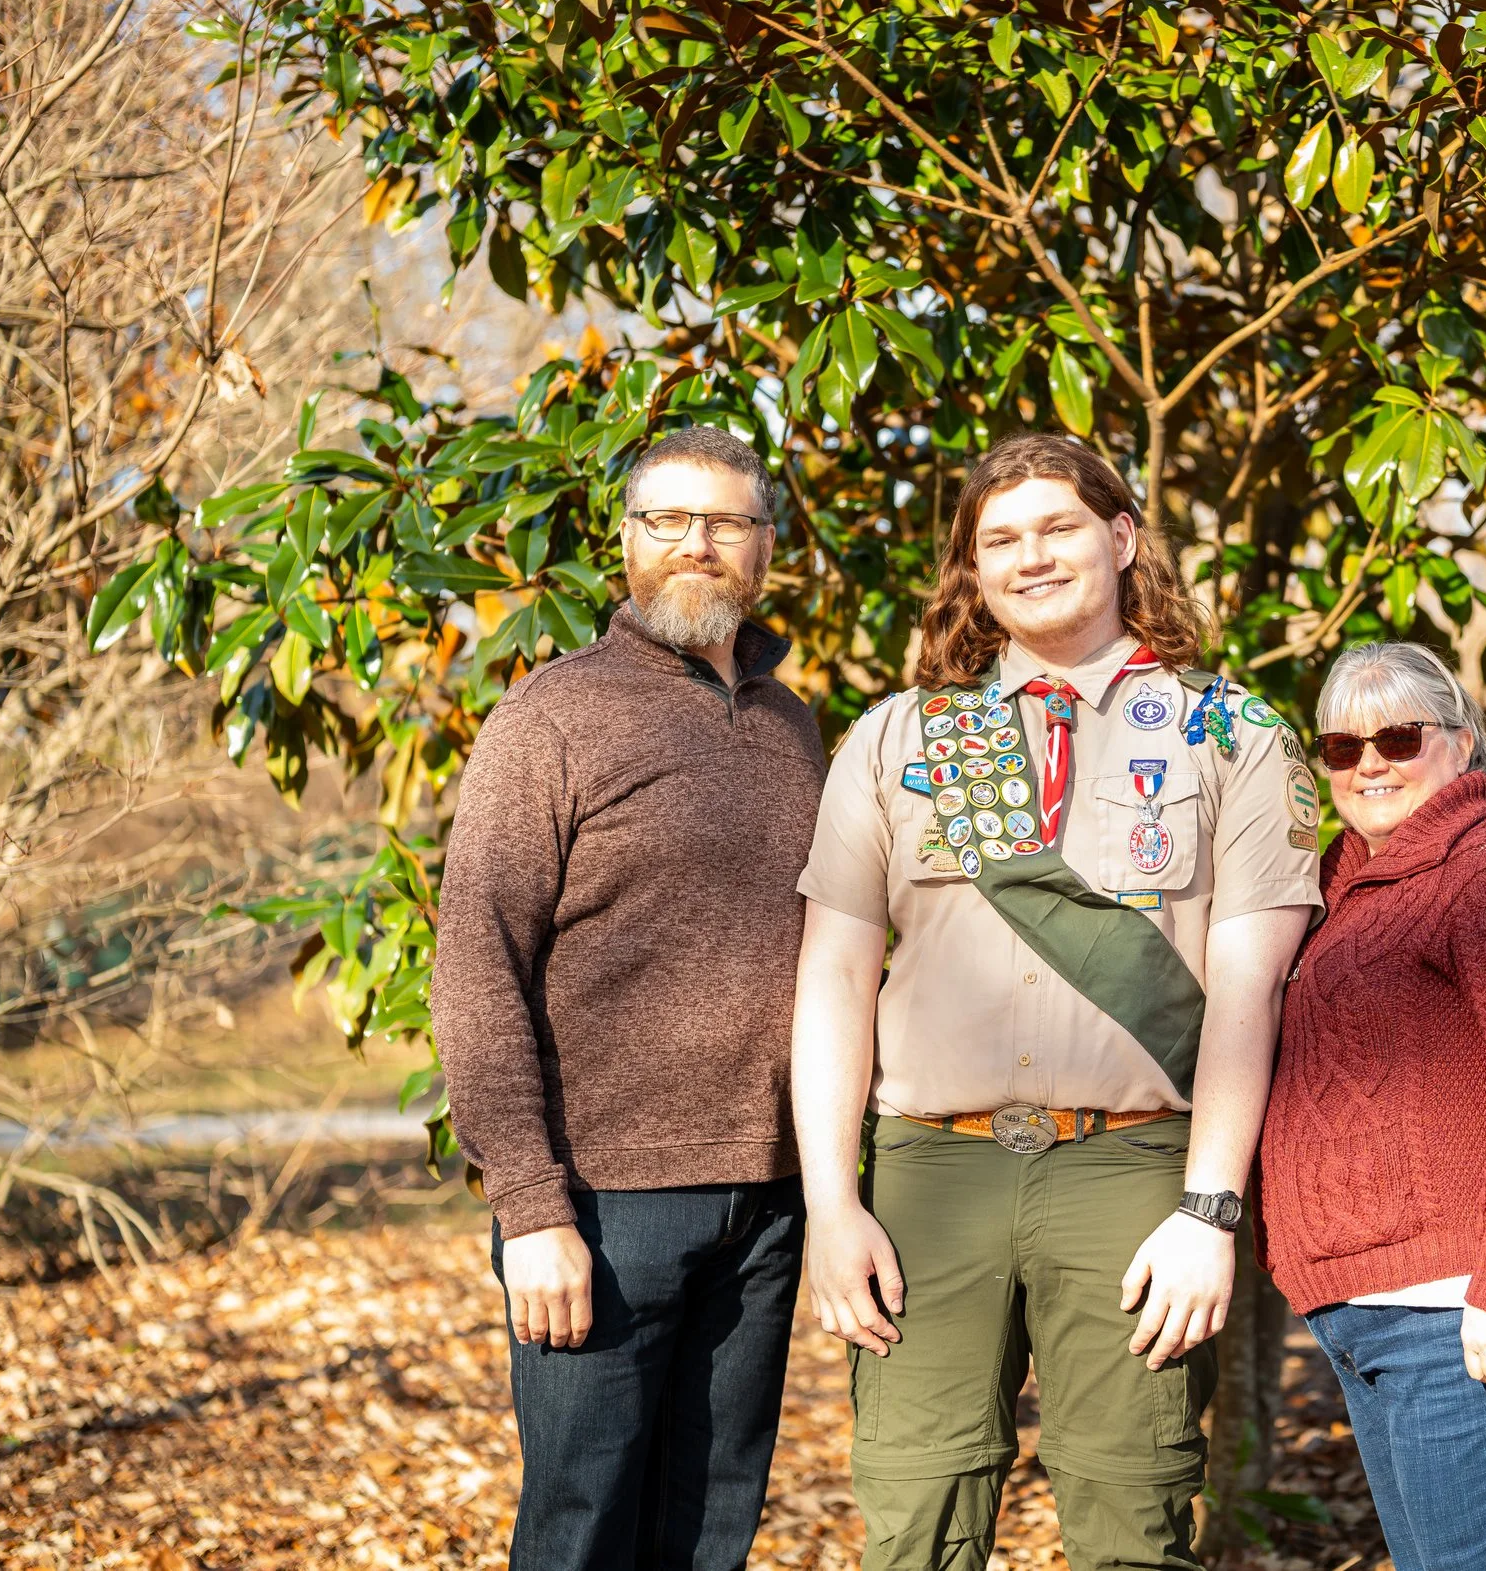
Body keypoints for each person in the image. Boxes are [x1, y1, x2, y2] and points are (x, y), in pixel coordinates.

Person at [791, 431, 1322, 1571]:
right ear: (973, 570)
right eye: (1000, 538)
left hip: (1133, 1174)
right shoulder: (902, 738)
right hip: (929, 1172)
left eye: (1057, 526)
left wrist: (1211, 1210)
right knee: (914, 1516)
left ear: (1121, 537)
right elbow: (832, 977)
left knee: (1133, 1519)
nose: (1030, 556)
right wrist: (832, 1203)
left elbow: (1248, 992)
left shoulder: (1233, 734)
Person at [430, 425, 824, 1569]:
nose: (695, 544)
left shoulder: (791, 724)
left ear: (763, 548)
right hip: (603, 1208)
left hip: (768, 1195)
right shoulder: (551, 718)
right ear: (627, 541)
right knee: (580, 1530)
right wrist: (532, 1205)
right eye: (667, 519)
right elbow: (477, 964)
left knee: (709, 1526)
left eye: (726, 523)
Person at [1257, 640, 1486, 1571]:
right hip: (1371, 1311)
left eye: (1399, 736)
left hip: (1469, 1308)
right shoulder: (1343, 890)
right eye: (1342, 746)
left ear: (1461, 744)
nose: (1370, 761)